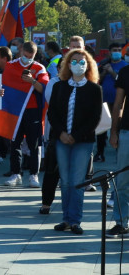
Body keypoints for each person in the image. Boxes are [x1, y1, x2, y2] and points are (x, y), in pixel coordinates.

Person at [47, 48, 102, 235]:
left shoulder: (94, 89)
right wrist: (62, 133)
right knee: (65, 181)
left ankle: (75, 220)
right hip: (61, 138)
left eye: (82, 62)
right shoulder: (59, 86)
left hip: (83, 141)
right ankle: (66, 219)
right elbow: (52, 113)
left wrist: (76, 136)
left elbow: (95, 118)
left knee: (77, 181)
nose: (78, 65)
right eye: (75, 61)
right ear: (68, 65)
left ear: (88, 65)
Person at [4, 41, 49, 188]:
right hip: (15, 110)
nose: (27, 59)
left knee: (34, 144)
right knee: (15, 142)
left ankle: (33, 175)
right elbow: (4, 86)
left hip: (32, 110)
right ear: (21, 51)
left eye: (31, 56)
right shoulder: (11, 66)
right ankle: (15, 174)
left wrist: (32, 81)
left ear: (35, 55)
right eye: (25, 55)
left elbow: (43, 90)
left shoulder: (39, 68)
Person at [107, 47, 129, 237]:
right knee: (122, 181)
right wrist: (114, 132)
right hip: (127, 132)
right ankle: (121, 222)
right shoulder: (125, 72)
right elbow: (118, 104)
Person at [96, 42, 126, 161]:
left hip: (119, 103)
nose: (117, 52)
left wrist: (112, 72)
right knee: (102, 128)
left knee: (117, 127)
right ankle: (100, 152)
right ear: (109, 52)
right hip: (103, 101)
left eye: (119, 50)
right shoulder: (103, 64)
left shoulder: (124, 65)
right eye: (114, 50)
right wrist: (104, 71)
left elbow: (121, 80)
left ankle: (119, 152)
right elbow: (96, 79)